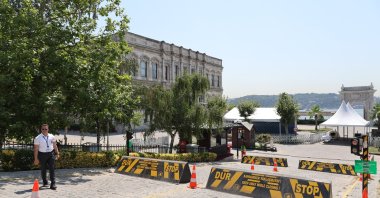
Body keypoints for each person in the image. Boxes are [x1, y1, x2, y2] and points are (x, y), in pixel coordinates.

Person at [33, 124, 60, 190]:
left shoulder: (52, 136)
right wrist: (36, 159)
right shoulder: (37, 138)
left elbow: (55, 145)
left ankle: (53, 184)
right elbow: (36, 149)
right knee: (43, 169)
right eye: (43, 129)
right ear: (41, 129)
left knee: (52, 168)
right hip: (42, 155)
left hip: (50, 154)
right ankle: (45, 182)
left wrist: (57, 153)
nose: (44, 130)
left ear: (48, 129)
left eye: (46, 129)